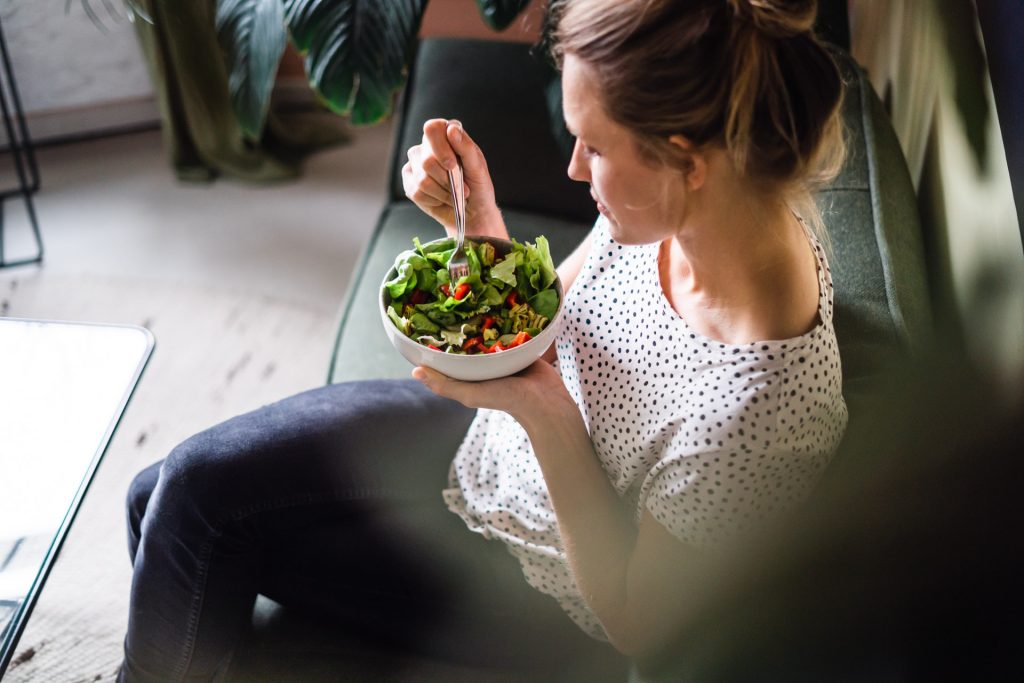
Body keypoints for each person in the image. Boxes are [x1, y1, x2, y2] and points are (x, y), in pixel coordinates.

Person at [118, 1, 848, 680]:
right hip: (489, 445)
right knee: (158, 495)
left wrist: (547, 412)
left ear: (688, 159)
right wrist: (481, 234)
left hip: (529, 579)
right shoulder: (692, 213)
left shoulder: (759, 413)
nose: (573, 168)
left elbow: (634, 618)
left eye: (593, 147)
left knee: (193, 518)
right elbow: (546, 320)